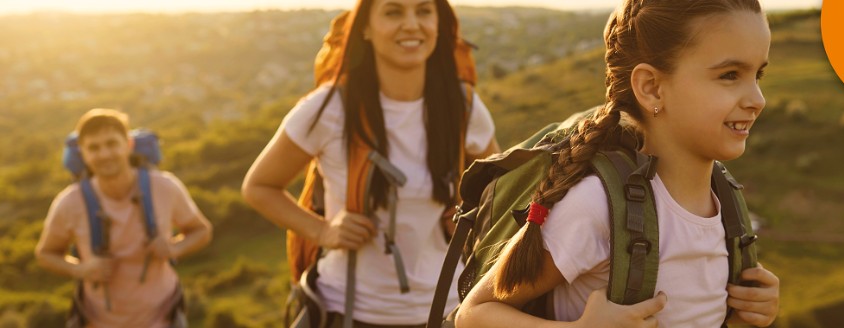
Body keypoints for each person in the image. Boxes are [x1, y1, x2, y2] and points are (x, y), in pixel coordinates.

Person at [455, 0, 780, 326]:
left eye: (758, 75)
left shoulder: (726, 203)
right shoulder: (599, 206)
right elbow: (473, 315)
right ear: (652, 88)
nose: (757, 99)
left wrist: (748, 313)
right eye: (729, 75)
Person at [241, 0, 499, 325]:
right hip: (349, 310)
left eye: (423, 11)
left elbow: (499, 188)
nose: (411, 24)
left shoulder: (462, 105)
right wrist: (322, 231)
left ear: (439, 24)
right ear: (364, 27)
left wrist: (468, 214)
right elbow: (259, 186)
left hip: (449, 307)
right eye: (393, 12)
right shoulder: (330, 107)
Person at [35, 108, 213, 327]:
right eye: (94, 148)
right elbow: (46, 253)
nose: (104, 154)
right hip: (97, 320)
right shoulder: (69, 202)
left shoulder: (165, 187)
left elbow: (201, 230)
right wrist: (80, 269)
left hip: (163, 315)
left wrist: (174, 248)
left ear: (128, 144)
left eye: (111, 144)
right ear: (83, 153)